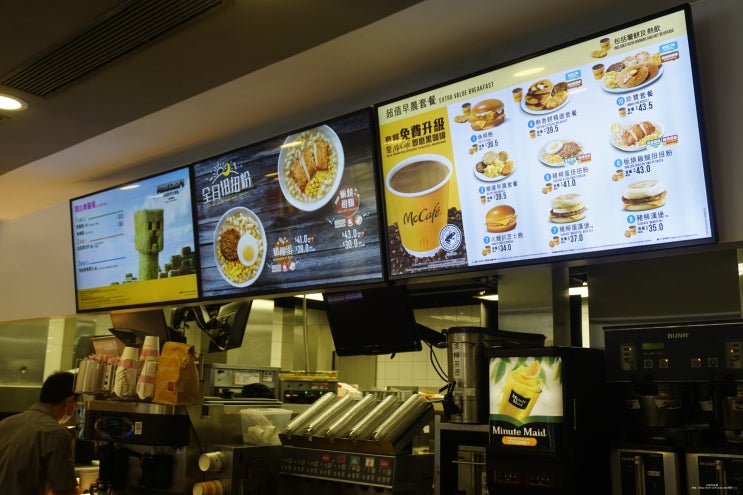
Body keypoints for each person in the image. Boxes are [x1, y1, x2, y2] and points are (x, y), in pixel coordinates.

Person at [0, 371, 80, 495]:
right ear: (70, 401)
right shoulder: (56, 433)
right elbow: (64, 491)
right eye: (76, 404)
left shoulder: (5, 424)